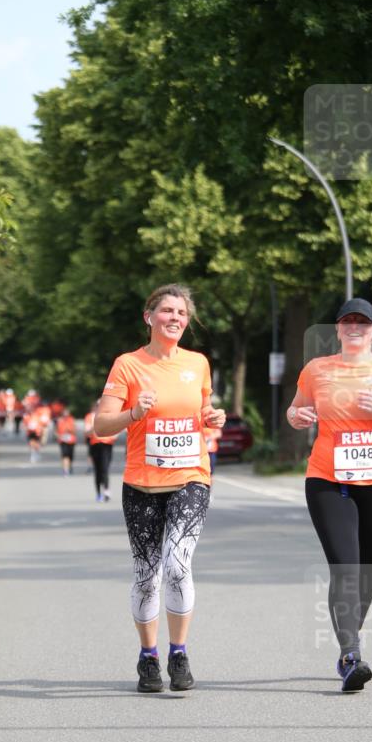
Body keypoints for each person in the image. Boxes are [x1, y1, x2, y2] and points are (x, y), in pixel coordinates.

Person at [287, 297, 372, 692]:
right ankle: (351, 656)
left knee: (366, 573)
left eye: (362, 323)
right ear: (338, 329)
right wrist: (297, 417)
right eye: (348, 322)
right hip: (329, 480)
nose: (354, 328)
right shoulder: (317, 370)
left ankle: (351, 635)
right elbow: (296, 412)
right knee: (345, 568)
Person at [94, 284, 226, 694]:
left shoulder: (198, 363)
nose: (175, 318)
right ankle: (149, 656)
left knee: (177, 563)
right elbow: (101, 426)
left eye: (182, 313)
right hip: (141, 483)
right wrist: (134, 413)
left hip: (191, 477)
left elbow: (202, 411)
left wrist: (212, 417)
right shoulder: (127, 366)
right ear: (148, 317)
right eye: (167, 310)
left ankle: (179, 652)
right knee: (146, 574)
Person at [87, 399, 117, 501]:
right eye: (98, 405)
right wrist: (94, 427)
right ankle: (98, 493)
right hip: (95, 444)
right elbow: (87, 432)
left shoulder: (110, 416)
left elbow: (116, 430)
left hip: (107, 444)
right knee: (98, 470)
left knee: (105, 468)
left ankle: (107, 491)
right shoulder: (90, 417)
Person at [56, 407, 77, 475]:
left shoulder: (71, 420)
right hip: (63, 441)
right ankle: (66, 470)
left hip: (71, 440)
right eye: (64, 413)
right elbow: (57, 431)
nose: (65, 414)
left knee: (70, 456)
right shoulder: (60, 420)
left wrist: (68, 430)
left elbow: (74, 430)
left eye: (66, 413)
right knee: (65, 455)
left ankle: (69, 466)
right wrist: (58, 436)